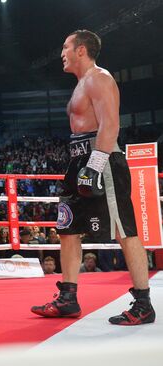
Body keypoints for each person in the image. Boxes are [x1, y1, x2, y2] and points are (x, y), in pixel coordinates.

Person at [31, 30, 155, 325]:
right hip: (78, 158)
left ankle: (143, 303)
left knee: (124, 231)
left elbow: (110, 124)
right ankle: (68, 298)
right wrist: (83, 166)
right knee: (68, 229)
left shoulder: (100, 78)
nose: (61, 52)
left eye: (65, 47)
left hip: (103, 160)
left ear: (81, 50)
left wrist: (95, 166)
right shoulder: (81, 84)